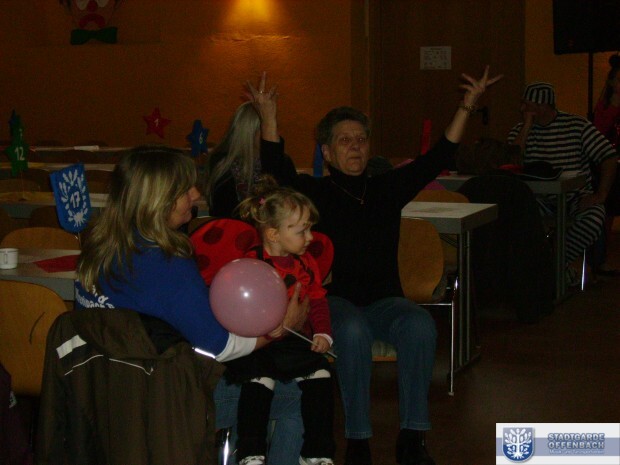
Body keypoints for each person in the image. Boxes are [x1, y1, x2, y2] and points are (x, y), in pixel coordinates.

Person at [246, 67, 502, 465]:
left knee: (418, 324)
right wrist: (269, 116)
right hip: (335, 302)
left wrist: (467, 105)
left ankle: (412, 437)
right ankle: (358, 441)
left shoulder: (387, 188)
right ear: (326, 152)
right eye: (344, 140)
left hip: (386, 302)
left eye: (361, 139)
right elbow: (276, 167)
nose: (355, 147)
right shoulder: (315, 193)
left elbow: (439, 156)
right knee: (351, 330)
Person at [75, 145, 307, 364]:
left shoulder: (99, 244)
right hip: (150, 382)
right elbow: (220, 348)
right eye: (186, 189)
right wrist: (283, 326)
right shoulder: (167, 263)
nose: (196, 194)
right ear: (159, 200)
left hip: (94, 378)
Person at [221, 179, 335, 465]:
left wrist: (323, 332)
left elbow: (317, 300)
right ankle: (251, 453)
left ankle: (317, 453)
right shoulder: (251, 264)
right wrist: (262, 326)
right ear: (273, 234)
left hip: (291, 341)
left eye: (310, 228)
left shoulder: (306, 263)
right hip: (257, 343)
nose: (310, 237)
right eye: (302, 231)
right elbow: (237, 307)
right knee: (259, 380)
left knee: (321, 374)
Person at [508, 82, 618, 286]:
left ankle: (551, 265)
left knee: (594, 217)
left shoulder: (577, 125)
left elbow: (609, 156)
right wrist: (526, 127)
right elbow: (511, 162)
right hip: (538, 201)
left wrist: (601, 194)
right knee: (515, 215)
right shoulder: (520, 130)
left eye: (527, 105)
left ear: (541, 106)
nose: (522, 109)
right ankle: (554, 270)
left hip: (575, 198)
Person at [205, 78, 281, 217]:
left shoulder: (280, 161)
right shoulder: (223, 164)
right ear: (249, 132)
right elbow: (226, 214)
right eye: (267, 128)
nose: (274, 134)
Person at [591, 54, 620, 276]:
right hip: (610, 164)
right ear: (611, 82)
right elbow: (599, 133)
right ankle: (602, 259)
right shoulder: (604, 106)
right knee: (607, 212)